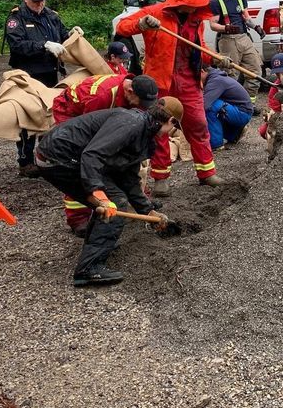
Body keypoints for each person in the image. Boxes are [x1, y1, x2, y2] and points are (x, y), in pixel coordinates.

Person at [35, 103, 178, 287]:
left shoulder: (142, 132)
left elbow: (128, 178)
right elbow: (92, 155)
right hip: (58, 157)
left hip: (65, 155)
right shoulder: (131, 124)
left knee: (112, 200)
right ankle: (88, 269)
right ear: (171, 120)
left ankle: (96, 246)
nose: (169, 133)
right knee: (115, 202)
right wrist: (98, 193)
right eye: (173, 127)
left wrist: (148, 210)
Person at [116, 0, 224, 190]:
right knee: (159, 128)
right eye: (193, 2)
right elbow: (122, 27)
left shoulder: (195, 20)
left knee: (199, 125)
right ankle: (161, 178)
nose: (196, 7)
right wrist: (142, 23)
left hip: (188, 80)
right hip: (160, 81)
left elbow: (199, 47)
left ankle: (206, 172)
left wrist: (215, 58)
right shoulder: (155, 13)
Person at [51, 73, 159, 235]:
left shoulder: (134, 88)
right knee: (81, 163)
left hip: (101, 110)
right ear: (130, 91)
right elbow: (95, 141)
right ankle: (78, 217)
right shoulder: (101, 96)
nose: (142, 107)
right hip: (71, 113)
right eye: (141, 102)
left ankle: (136, 196)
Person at [5, 0, 75, 177]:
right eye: (35, 2)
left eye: (42, 1)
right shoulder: (16, 18)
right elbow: (17, 45)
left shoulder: (51, 16)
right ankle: (25, 161)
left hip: (50, 74)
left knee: (50, 115)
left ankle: (46, 156)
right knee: (27, 117)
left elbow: (63, 34)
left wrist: (71, 34)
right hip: (27, 76)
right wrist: (43, 45)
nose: (39, 5)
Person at [207, 0, 265, 113]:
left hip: (244, 37)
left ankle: (248, 104)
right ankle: (230, 107)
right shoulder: (216, 1)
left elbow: (246, 17)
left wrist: (256, 27)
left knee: (255, 70)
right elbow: (213, 24)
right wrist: (226, 28)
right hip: (228, 40)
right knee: (229, 75)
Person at [201, 65, 253, 149]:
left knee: (211, 107)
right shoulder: (213, 78)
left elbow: (205, 105)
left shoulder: (216, 81)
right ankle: (234, 134)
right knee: (213, 107)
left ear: (202, 71)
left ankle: (216, 144)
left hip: (242, 113)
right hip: (239, 110)